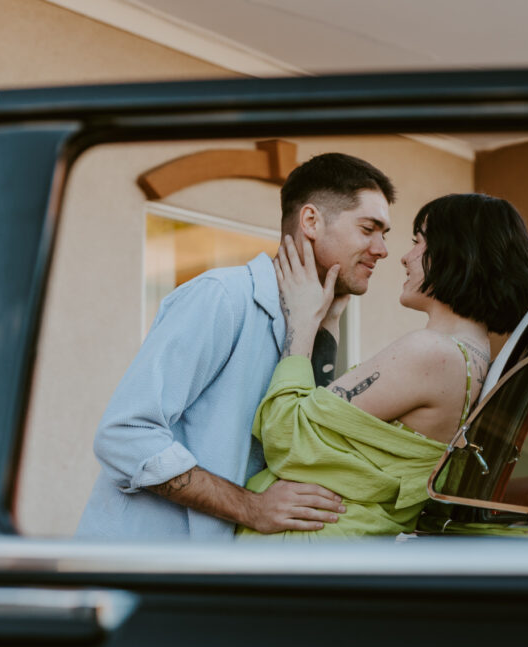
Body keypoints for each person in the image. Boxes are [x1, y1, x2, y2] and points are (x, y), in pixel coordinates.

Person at [76, 153, 396, 540]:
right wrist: (251, 506)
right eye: (368, 228)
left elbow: (304, 445)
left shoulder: (313, 320)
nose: (382, 249)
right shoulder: (222, 298)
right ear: (310, 221)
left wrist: (325, 324)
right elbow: (125, 435)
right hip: (142, 574)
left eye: (385, 234)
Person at [237, 193, 528, 540]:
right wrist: (331, 322)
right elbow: (344, 437)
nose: (405, 258)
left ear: (457, 253)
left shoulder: (431, 353)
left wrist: (302, 322)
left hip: (308, 553)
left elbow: (286, 437)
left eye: (419, 243)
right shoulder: (475, 357)